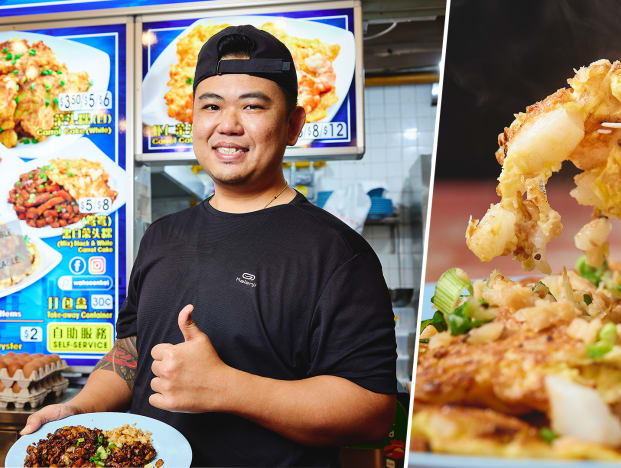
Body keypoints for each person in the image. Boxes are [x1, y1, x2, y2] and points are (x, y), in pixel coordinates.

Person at [21, 25, 398, 467]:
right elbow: (135, 350)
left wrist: (225, 387)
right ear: (193, 121)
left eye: (253, 106)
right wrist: (77, 410)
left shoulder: (337, 254)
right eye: (212, 106)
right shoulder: (161, 235)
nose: (228, 125)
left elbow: (372, 412)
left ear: (294, 124)